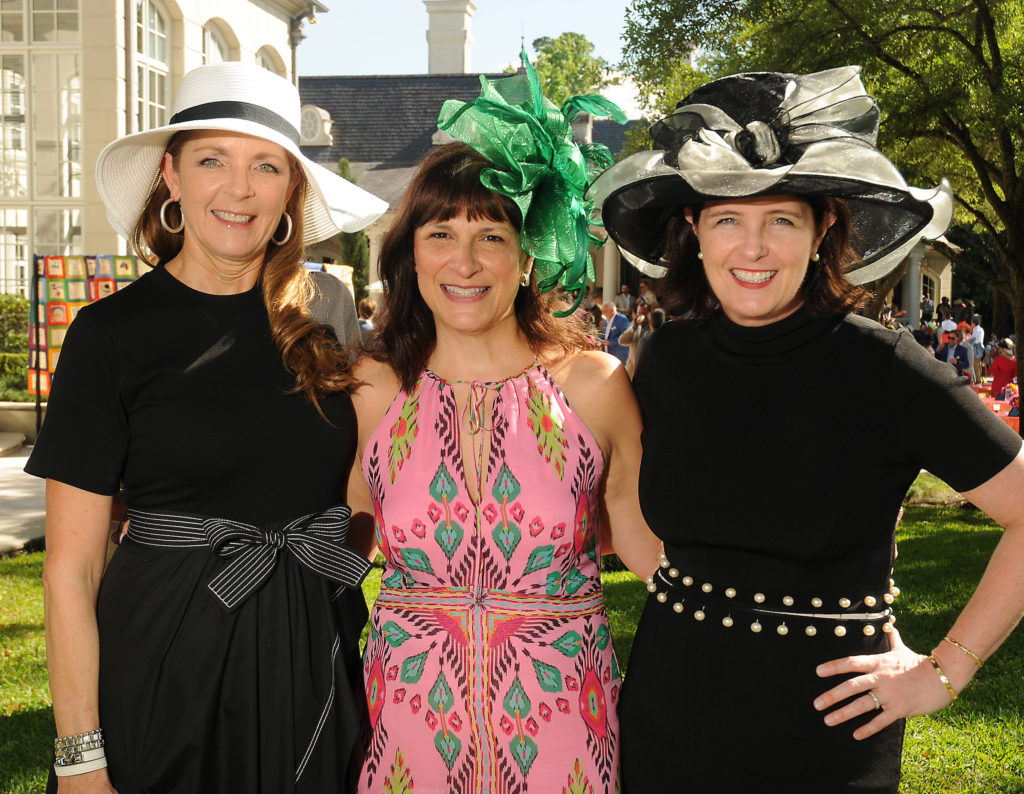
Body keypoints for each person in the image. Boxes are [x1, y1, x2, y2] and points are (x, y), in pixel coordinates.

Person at [590, 66, 1024, 792]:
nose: (752, 248)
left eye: (782, 220)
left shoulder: (886, 367)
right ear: (694, 228)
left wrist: (946, 669)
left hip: (827, 732)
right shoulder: (664, 357)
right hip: (668, 712)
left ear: (824, 229)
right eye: (728, 219)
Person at [26, 62, 387, 793]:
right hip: (164, 659)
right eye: (212, 160)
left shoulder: (326, 324)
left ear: (290, 188)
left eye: (266, 166)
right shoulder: (109, 335)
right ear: (171, 175)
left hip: (309, 659)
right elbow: (71, 568)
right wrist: (81, 760)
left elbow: (360, 494)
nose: (239, 189)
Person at [347, 59, 660, 793]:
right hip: (409, 729)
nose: (463, 262)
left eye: (490, 235)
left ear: (527, 255)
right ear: (411, 253)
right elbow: (341, 547)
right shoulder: (374, 389)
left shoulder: (592, 385)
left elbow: (647, 548)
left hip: (565, 731)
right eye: (439, 234)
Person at [618, 299, 651, 377]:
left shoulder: (653, 328)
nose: (641, 315)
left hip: (647, 372)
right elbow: (622, 341)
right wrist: (634, 327)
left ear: (649, 314)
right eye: (639, 313)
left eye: (644, 313)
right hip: (633, 372)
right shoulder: (634, 327)